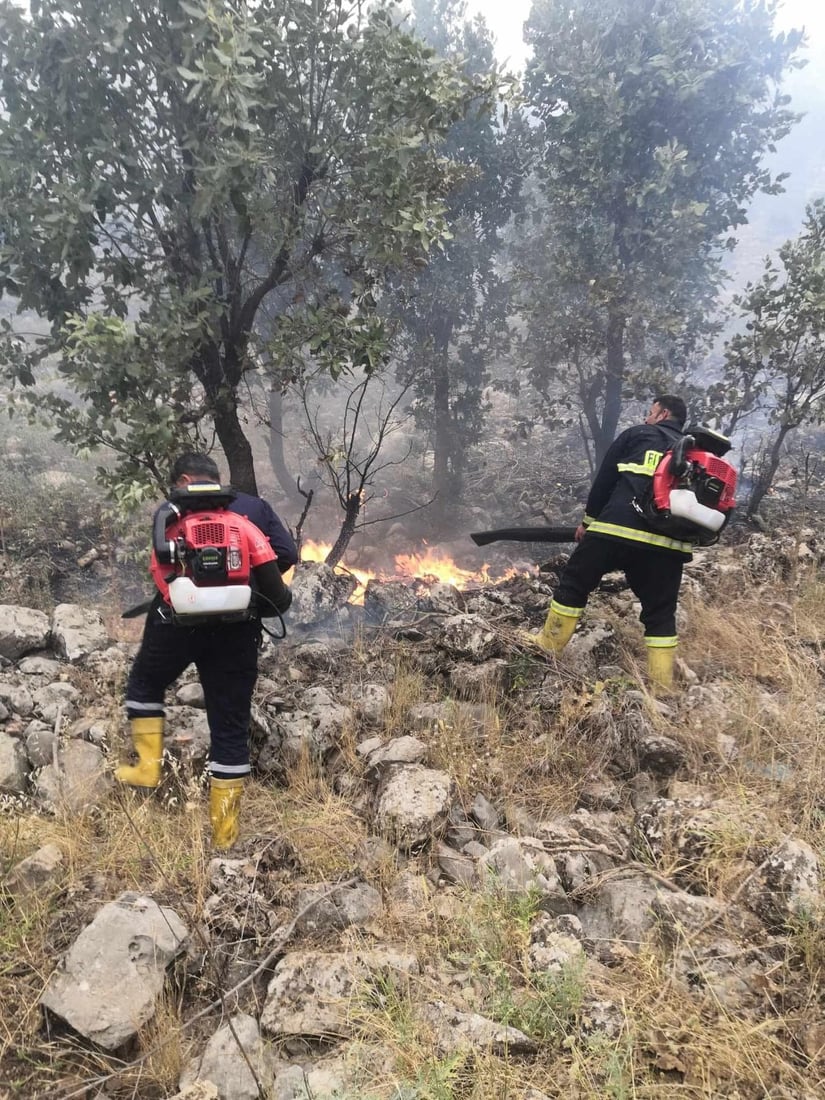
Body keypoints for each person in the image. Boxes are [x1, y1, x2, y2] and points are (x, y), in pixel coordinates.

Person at [116, 452, 297, 849]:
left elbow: (161, 572)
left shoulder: (169, 517)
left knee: (145, 684)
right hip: (237, 632)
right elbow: (281, 581)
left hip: (175, 625)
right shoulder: (248, 517)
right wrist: (248, 592)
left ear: (182, 480)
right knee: (230, 726)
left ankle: (147, 768)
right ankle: (225, 835)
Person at [530, 395, 691, 692]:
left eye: (650, 412)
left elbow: (604, 481)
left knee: (574, 583)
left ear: (663, 414)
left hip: (615, 529)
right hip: (668, 547)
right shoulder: (693, 454)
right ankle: (661, 685)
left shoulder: (638, 435)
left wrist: (588, 522)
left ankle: (548, 647)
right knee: (660, 613)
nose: (646, 418)